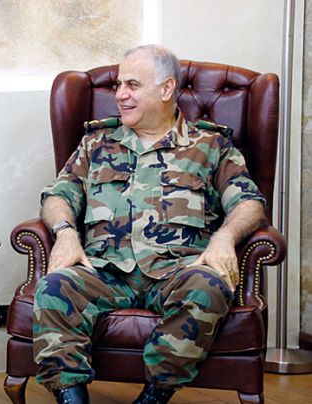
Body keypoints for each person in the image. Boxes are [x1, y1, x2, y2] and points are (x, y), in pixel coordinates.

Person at [33, 45, 266, 404]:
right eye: (118, 85)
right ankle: (71, 397)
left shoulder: (210, 145)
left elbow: (249, 203)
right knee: (54, 286)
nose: (120, 95)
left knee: (207, 286)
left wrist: (224, 238)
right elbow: (57, 196)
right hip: (104, 271)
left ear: (166, 88)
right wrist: (65, 234)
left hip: (178, 271)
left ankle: (154, 396)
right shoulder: (97, 143)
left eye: (132, 85)